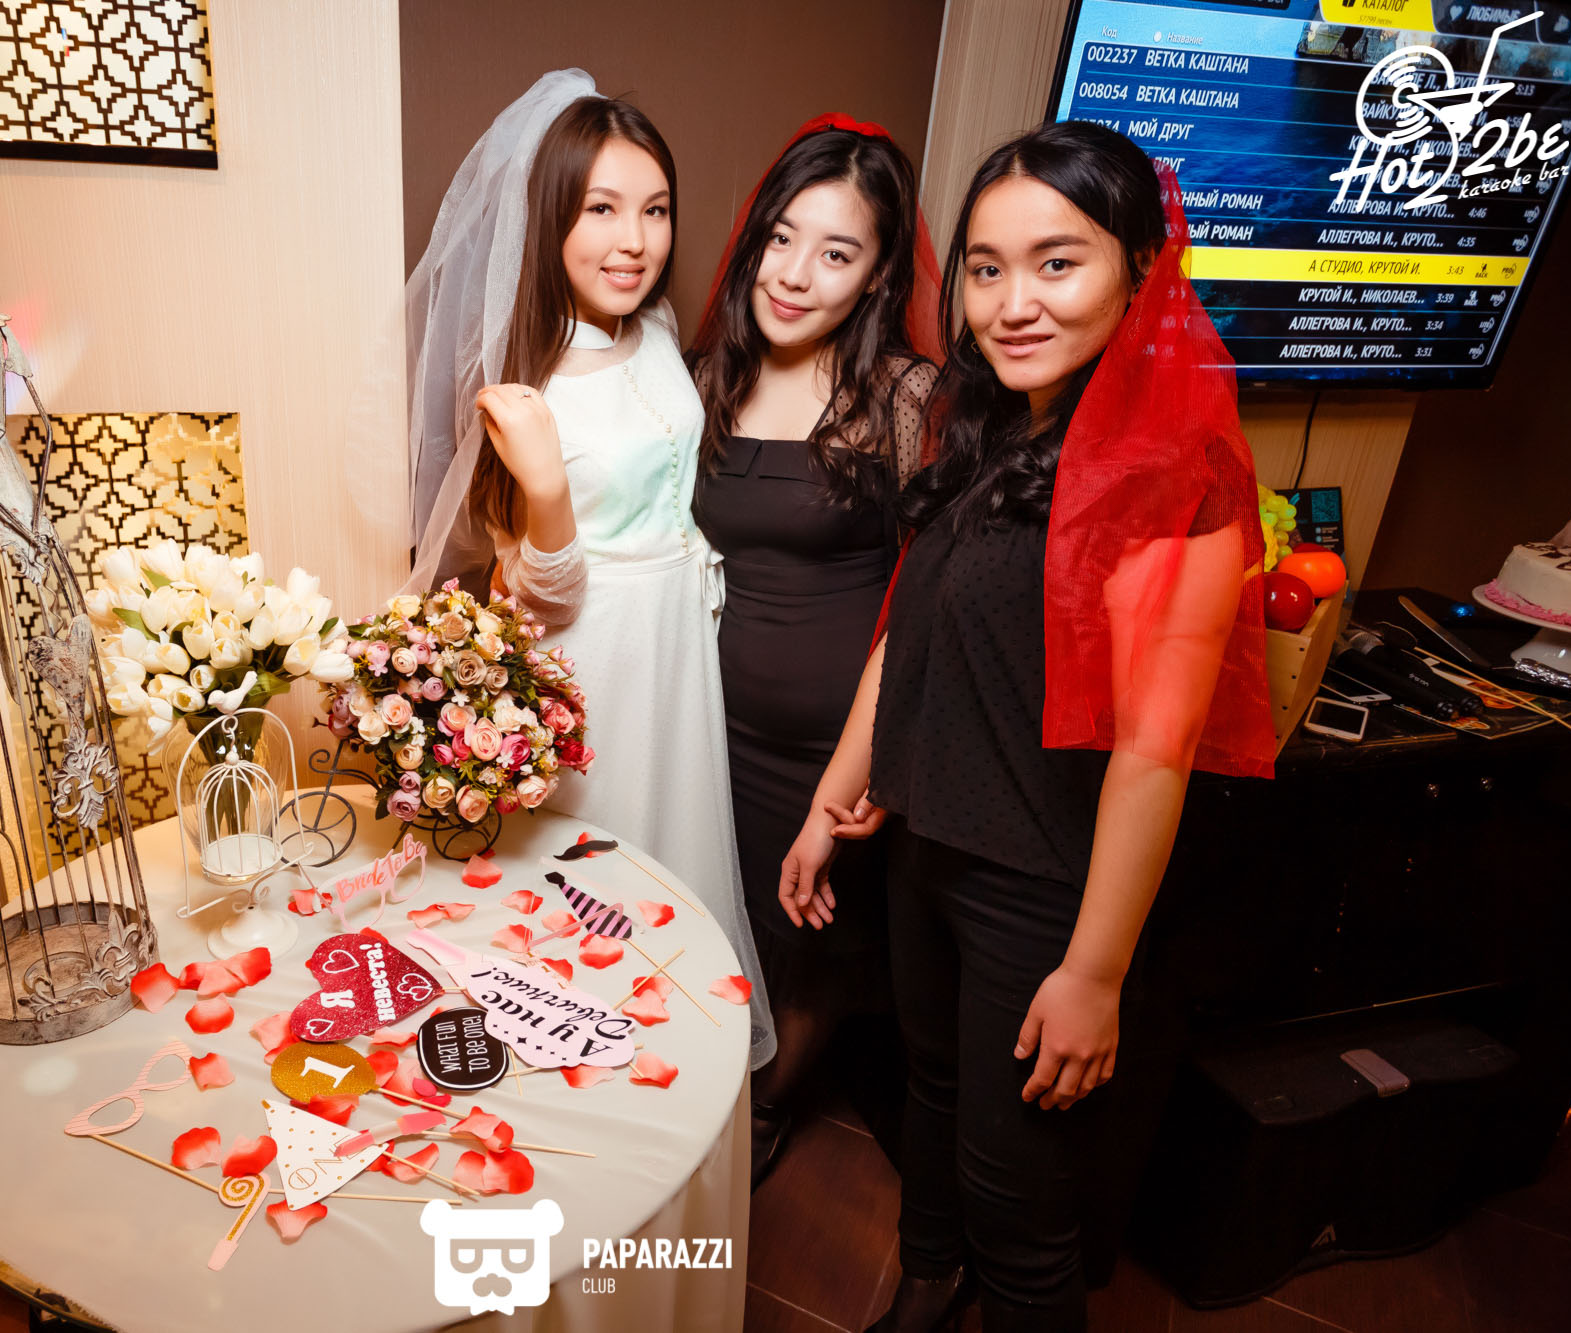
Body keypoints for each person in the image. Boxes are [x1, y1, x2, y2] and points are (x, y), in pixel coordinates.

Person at [782, 120, 1275, 1331]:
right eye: (986, 268)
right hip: (923, 846)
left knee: (1019, 1199)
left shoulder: (1174, 474)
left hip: (1035, 887)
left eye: (1056, 263)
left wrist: (1093, 972)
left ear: (1137, 270)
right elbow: (908, 631)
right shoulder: (989, 425)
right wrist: (834, 794)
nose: (1012, 302)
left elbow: (1156, 751)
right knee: (930, 1095)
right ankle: (924, 1286)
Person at [393, 70, 774, 1069]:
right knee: (593, 897)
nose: (633, 239)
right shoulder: (522, 384)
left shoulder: (653, 331)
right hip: (594, 664)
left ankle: (677, 1080)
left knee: (679, 870)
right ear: (551, 218)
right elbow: (540, 596)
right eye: (601, 209)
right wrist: (548, 486)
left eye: (654, 209)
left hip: (677, 648)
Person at [687, 115, 940, 1182]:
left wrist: (870, 766)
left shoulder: (906, 398)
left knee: (813, 947)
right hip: (708, 730)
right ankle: (701, 1105)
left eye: (835, 252)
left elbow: (929, 599)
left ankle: (762, 1114)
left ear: (878, 273)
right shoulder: (704, 377)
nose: (793, 275)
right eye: (781, 238)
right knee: (716, 927)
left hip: (837, 749)